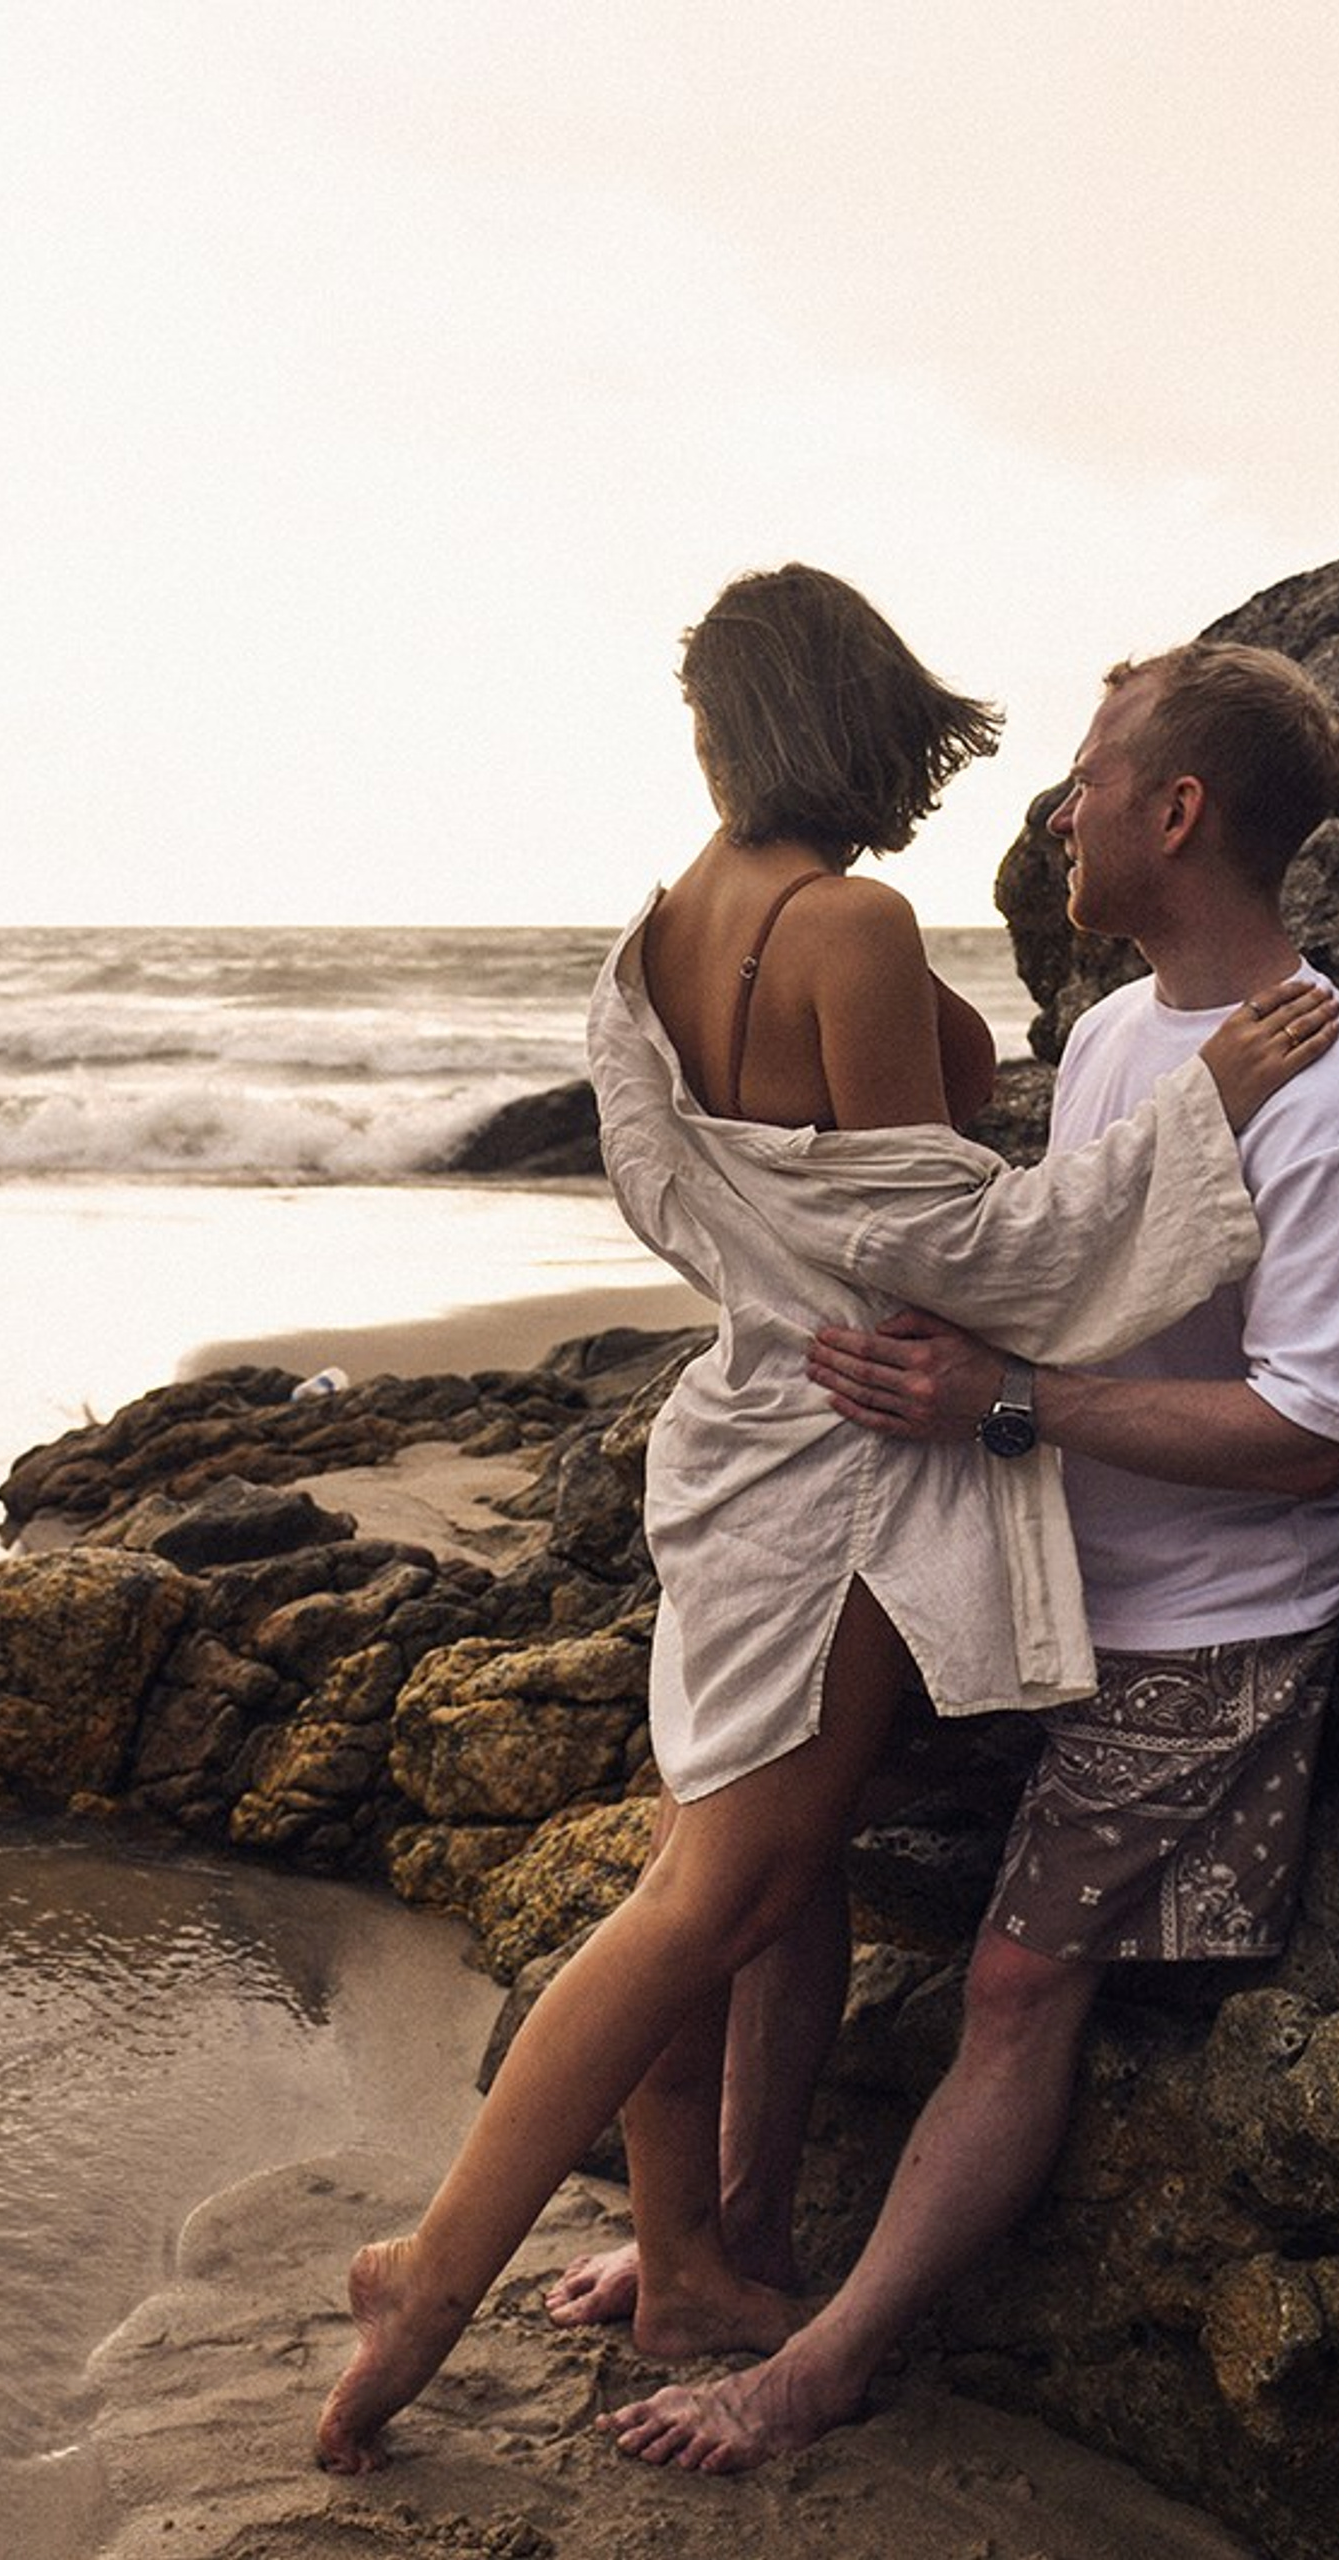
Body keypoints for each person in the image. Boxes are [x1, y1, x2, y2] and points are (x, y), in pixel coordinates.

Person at [313, 569, 1334, 2477]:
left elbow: (865, 1219)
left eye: (1086, 778)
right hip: (858, 1461)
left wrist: (976, 1315)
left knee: (758, 1874)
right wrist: (1185, 1115)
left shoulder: (663, 934)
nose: (1039, 806)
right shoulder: (906, 950)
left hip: (790, 1444)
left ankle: (711, 2257)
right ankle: (450, 2271)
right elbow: (967, 1253)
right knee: (719, 1888)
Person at [601, 635, 1339, 2472]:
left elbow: (1312, 1436)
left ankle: (820, 2365)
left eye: (1090, 779)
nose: (1059, 811)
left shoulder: (1321, 1085)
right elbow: (1041, 1263)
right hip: (1028, 1566)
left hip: (1208, 1625)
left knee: (1014, 1984)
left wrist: (1006, 1402)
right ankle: (725, 2248)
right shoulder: (1116, 1036)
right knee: (761, 1841)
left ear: (1179, 812)